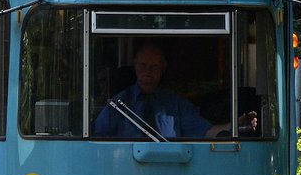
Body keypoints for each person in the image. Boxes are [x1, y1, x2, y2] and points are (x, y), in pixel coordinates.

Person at [93, 42, 256, 140]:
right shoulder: (117, 105)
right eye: (143, 65)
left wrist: (232, 126)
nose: (148, 71)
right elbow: (95, 139)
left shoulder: (176, 105)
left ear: (163, 69)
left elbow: (206, 132)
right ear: (135, 65)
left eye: (154, 66)